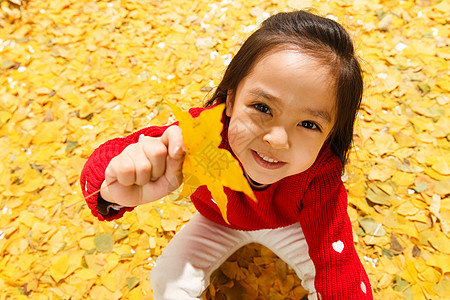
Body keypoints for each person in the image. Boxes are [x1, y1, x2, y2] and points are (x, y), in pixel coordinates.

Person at [80, 10, 373, 300]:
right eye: (262, 107)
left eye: (309, 124)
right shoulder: (200, 133)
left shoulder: (322, 173)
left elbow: (335, 257)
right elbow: (111, 159)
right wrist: (113, 185)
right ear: (230, 100)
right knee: (166, 279)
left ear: (330, 135)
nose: (277, 139)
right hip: (217, 220)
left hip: (293, 225)